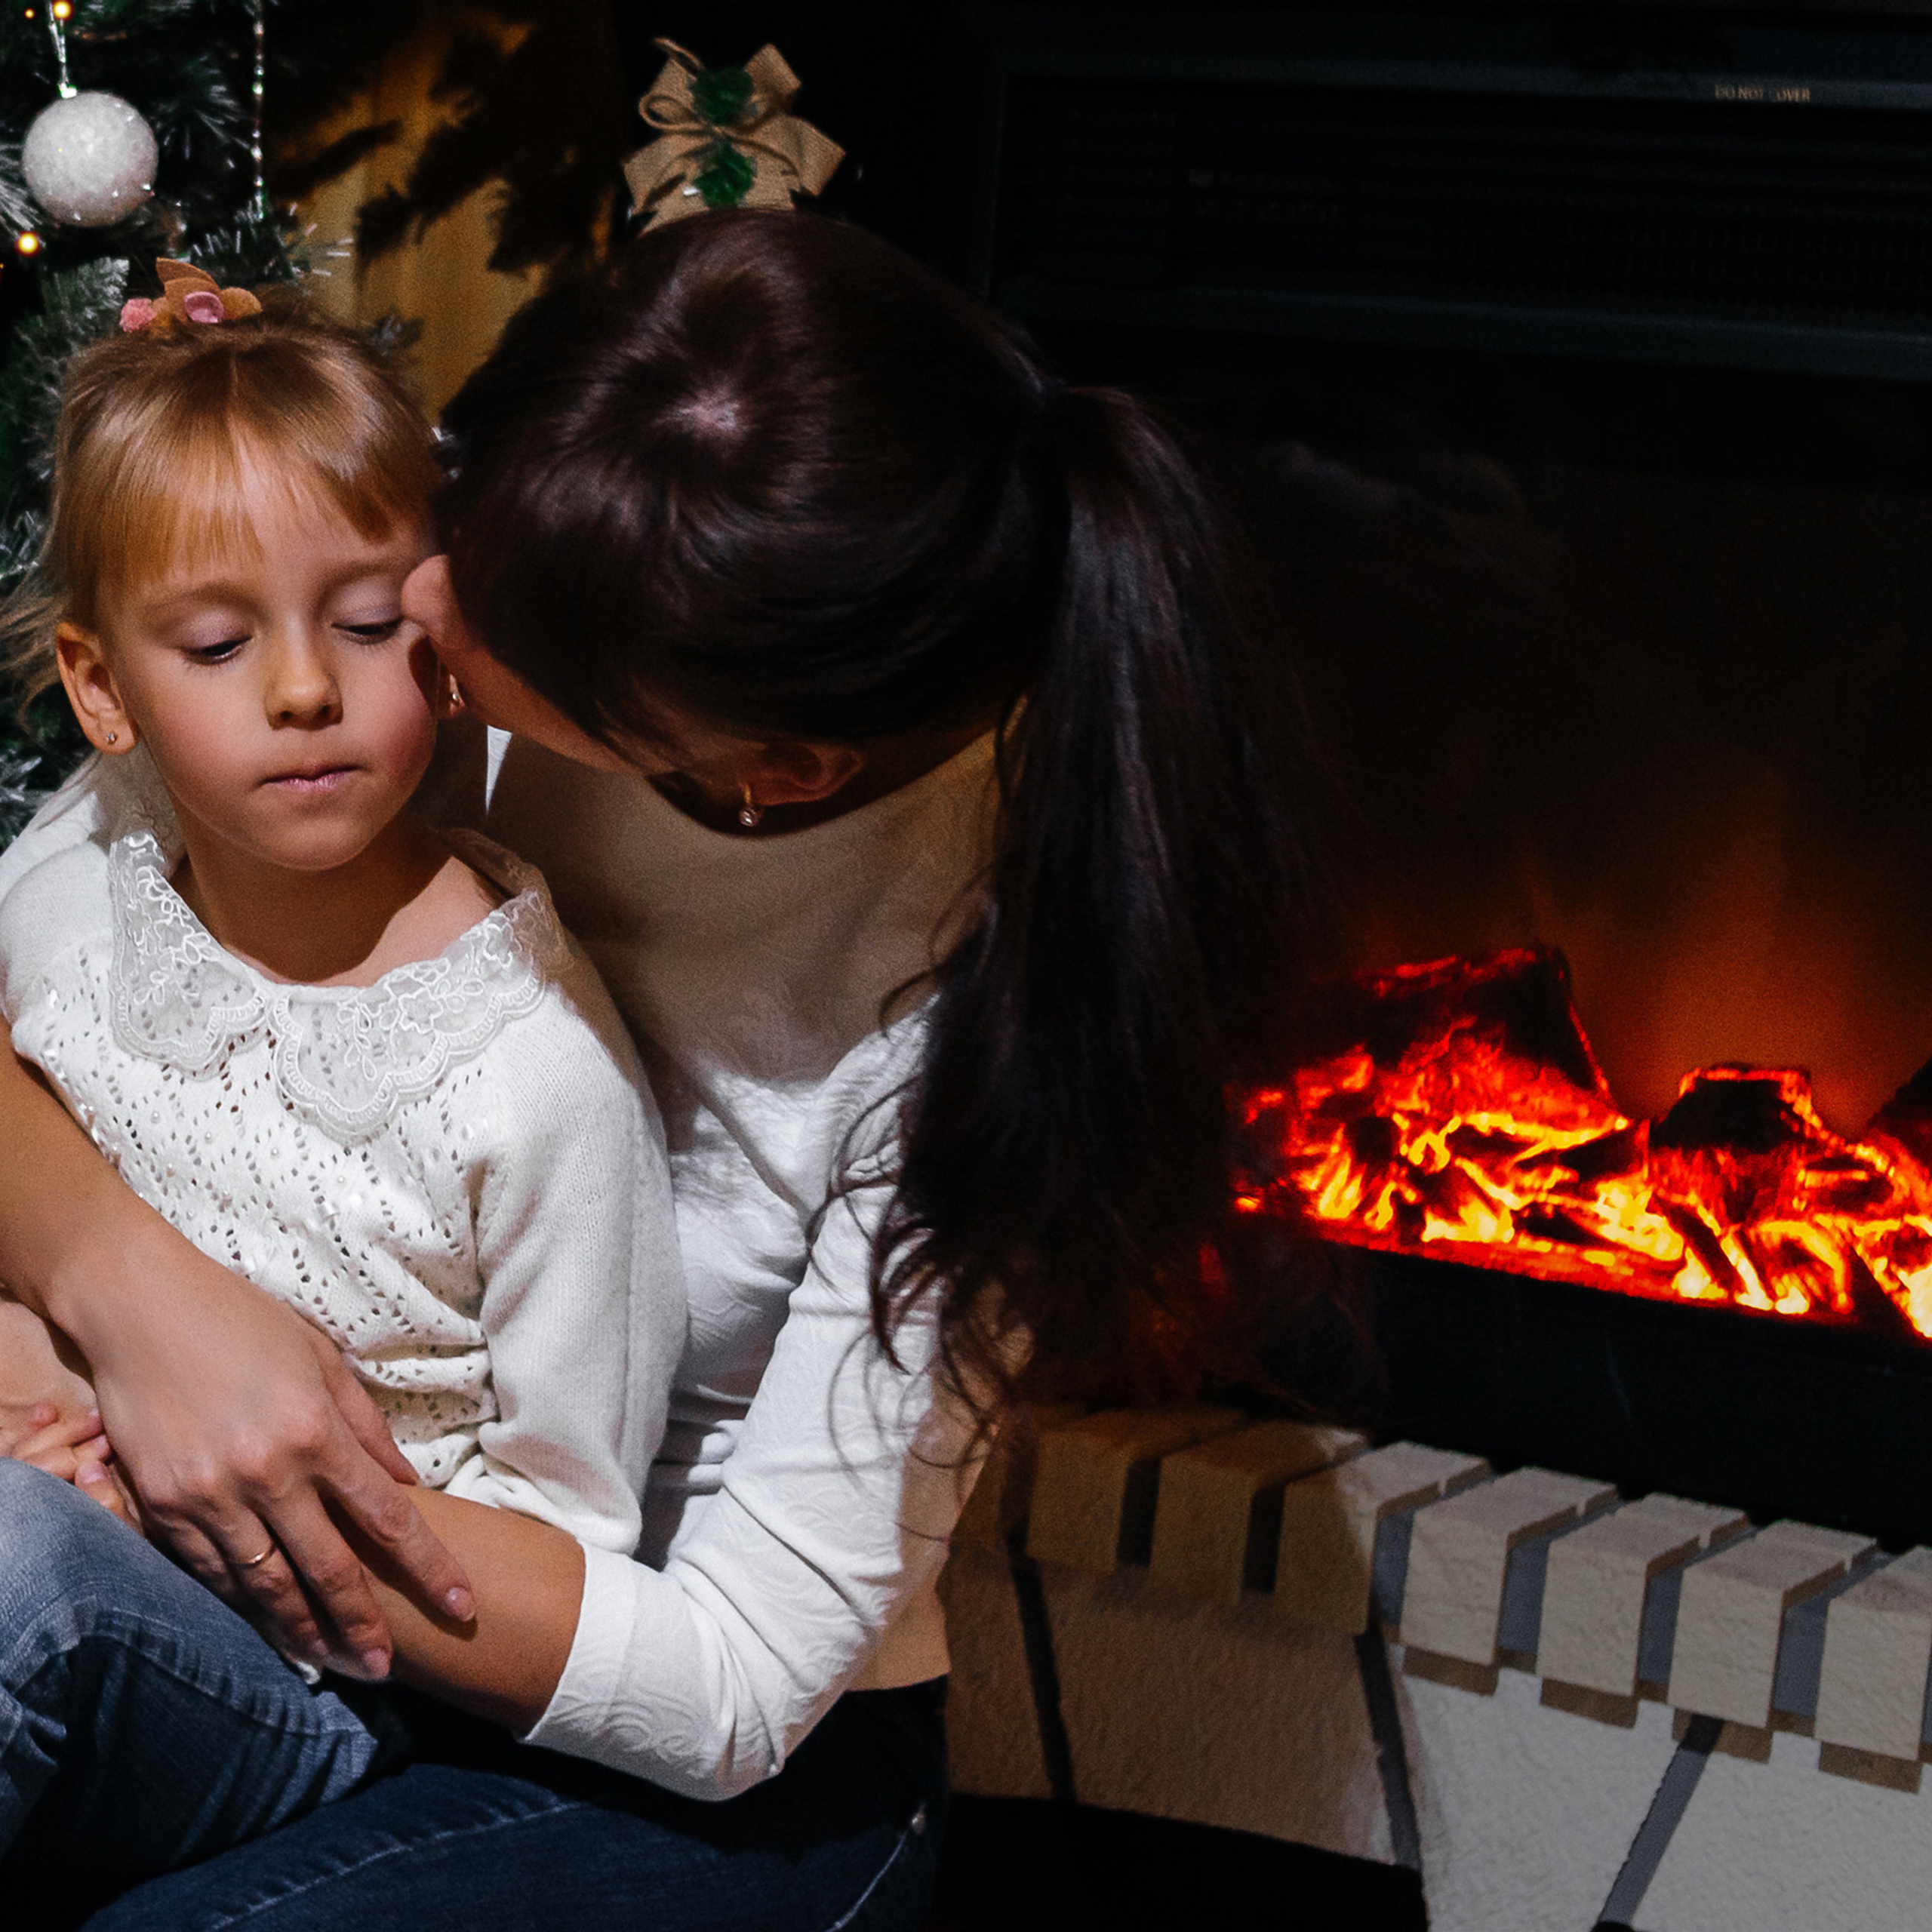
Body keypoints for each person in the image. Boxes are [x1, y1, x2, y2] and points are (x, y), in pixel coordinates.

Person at [0, 211, 1323, 1928]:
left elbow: (735, 1676)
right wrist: (121, 1292)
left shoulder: (987, 1013)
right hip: (237, 1567)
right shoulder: (422, 629)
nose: (396, 614)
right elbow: (60, 943)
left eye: (450, 610)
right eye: (461, 500)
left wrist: (229, 1493)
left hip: (699, 1751)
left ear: (758, 768)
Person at [0, 297, 683, 1909]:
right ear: (100, 689)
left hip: (310, 1689)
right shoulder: (78, 897)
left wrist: (169, 1512)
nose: (303, 687)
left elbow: (563, 1537)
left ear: (442, 647)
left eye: (367, 624)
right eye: (221, 644)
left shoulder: (533, 1074)